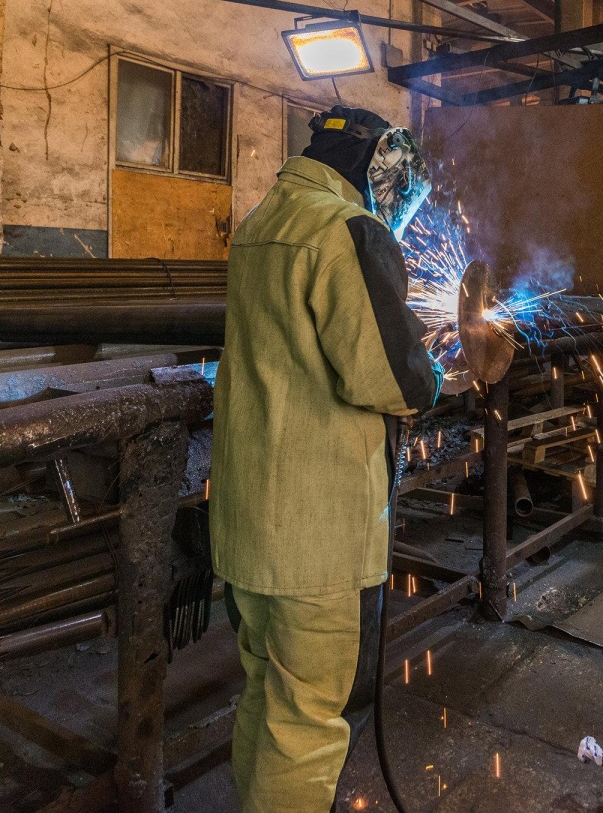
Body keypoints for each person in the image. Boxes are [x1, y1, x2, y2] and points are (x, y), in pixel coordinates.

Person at [209, 105, 441, 812]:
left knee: (267, 694)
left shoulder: (260, 224)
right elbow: (391, 379)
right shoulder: (345, 229)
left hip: (249, 520)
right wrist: (431, 373)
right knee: (307, 719)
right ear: (379, 168)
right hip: (312, 534)